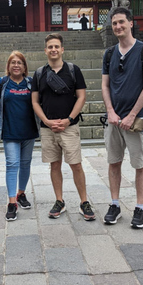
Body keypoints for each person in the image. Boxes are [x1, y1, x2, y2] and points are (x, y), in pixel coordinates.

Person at [101, 7, 143, 229]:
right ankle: (114, 204)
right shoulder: (108, 54)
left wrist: (132, 115)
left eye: (122, 22)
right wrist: (111, 111)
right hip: (114, 119)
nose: (118, 26)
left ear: (131, 23)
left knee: (140, 163)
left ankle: (140, 207)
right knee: (113, 162)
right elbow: (105, 85)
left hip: (137, 119)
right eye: (114, 23)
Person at [31, 33, 95, 221]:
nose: (53, 50)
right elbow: (35, 101)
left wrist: (68, 119)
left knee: (76, 164)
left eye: (56, 46)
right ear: (45, 50)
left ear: (62, 49)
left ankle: (84, 201)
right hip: (48, 127)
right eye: (50, 47)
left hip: (69, 126)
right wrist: (47, 121)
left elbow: (81, 97)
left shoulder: (73, 70)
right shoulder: (39, 73)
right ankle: (59, 200)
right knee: (54, 164)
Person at [0, 51, 39, 221]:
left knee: (26, 163)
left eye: (19, 62)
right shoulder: (2, 83)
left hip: (28, 130)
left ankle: (21, 193)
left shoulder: (30, 83)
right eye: (13, 62)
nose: (16, 65)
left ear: (24, 66)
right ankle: (12, 202)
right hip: (10, 132)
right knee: (12, 164)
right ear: (8, 66)